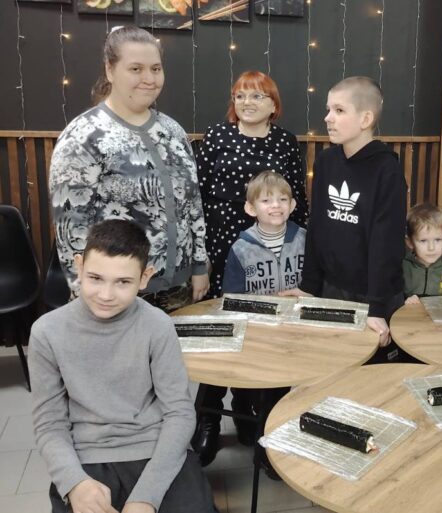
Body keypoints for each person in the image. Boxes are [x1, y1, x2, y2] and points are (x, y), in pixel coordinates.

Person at [29, 220, 216, 513]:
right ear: (79, 266)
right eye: (95, 278)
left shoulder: (158, 325)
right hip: (86, 456)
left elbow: (179, 413)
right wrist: (75, 483)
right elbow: (49, 423)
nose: (106, 295)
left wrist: (146, 497)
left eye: (123, 282)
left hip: (157, 448)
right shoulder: (46, 332)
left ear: (144, 278)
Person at [49, 25, 209, 312]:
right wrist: (87, 294)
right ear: (110, 70)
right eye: (136, 69)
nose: (149, 78)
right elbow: (71, 230)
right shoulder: (83, 136)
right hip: (117, 295)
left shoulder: (173, 130)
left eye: (156, 69)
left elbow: (193, 203)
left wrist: (199, 265)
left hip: (179, 288)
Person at [283, 76, 407, 361]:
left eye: (339, 110)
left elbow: (386, 243)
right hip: (330, 289)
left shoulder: (386, 170)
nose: (328, 118)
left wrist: (376, 308)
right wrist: (309, 286)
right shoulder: (326, 162)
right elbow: (318, 226)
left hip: (373, 296)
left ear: (366, 119)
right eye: (328, 109)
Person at [192, 171, 305, 468]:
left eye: (282, 199)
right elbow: (232, 300)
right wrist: (271, 304)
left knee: (277, 390)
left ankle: (268, 444)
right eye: (266, 200)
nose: (276, 205)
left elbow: (314, 285)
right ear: (251, 208)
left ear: (293, 205)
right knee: (243, 378)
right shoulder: (241, 248)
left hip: (291, 333)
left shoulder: (305, 240)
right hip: (254, 331)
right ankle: (224, 422)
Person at [197, 70, 309, 298]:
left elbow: (296, 193)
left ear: (273, 105)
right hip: (222, 232)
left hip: (272, 232)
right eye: (240, 96)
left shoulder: (286, 141)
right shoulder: (217, 134)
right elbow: (198, 191)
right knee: (226, 299)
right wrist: (199, 252)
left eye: (257, 96)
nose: (246, 102)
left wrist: (302, 241)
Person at [403, 203, 442, 303]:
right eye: (423, 241)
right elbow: (390, 299)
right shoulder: (403, 269)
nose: (431, 248)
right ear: (410, 242)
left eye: (437, 240)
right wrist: (403, 302)